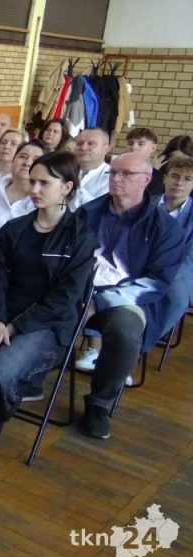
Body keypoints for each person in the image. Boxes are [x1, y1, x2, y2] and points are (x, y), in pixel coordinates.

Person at [0, 152, 96, 458]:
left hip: (48, 326)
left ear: (67, 187)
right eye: (32, 181)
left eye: (44, 183)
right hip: (3, 315)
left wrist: (14, 326)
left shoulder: (80, 238)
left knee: (0, 371)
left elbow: (64, 299)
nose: (34, 189)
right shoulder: (16, 228)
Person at [73, 152, 184, 439]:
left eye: (126, 174)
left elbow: (156, 282)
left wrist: (100, 302)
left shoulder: (164, 227)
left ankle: (99, 403)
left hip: (127, 299)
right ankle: (29, 377)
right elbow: (67, 258)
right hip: (81, 289)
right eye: (113, 173)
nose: (116, 179)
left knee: (125, 331)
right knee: (45, 309)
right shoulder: (88, 212)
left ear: (146, 179)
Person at [155, 155, 193, 341]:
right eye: (175, 176)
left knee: (177, 299)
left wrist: (164, 275)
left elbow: (189, 257)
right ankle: (97, 342)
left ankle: (145, 340)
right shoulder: (145, 204)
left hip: (177, 272)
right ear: (165, 178)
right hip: (138, 266)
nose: (179, 183)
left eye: (187, 179)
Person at [0, 139, 44, 240]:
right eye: (23, 157)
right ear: (13, 160)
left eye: (35, 160)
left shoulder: (41, 205)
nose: (27, 163)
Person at [70, 128, 113, 210]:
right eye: (79, 143)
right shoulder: (64, 170)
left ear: (106, 149)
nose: (83, 148)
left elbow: (98, 208)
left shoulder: (112, 177)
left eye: (91, 144)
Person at [125, 127, 163, 198]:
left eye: (140, 144)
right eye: (130, 143)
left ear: (153, 148)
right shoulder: (116, 171)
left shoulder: (159, 179)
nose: (134, 147)